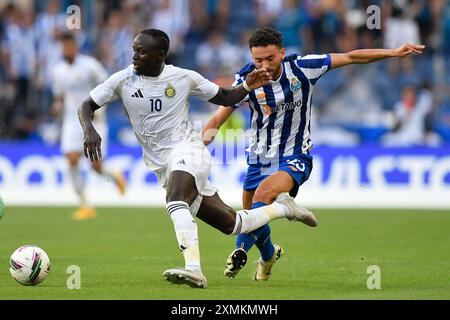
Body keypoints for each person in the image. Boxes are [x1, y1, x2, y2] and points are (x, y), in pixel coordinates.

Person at [78, 28, 315, 289]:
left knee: (176, 200)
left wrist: (247, 85)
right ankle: (285, 209)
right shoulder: (122, 80)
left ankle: (194, 270)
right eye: (134, 50)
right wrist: (89, 129)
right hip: (162, 164)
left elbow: (224, 97)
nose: (135, 56)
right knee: (232, 224)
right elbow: (86, 106)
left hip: (188, 150)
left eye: (141, 51)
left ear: (160, 54)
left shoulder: (183, 77)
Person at [202, 27, 425, 281]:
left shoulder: (303, 67)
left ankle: (240, 251)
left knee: (263, 197)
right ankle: (268, 256)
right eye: (258, 60)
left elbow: (351, 57)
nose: (264, 65)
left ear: (282, 53)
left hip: (295, 155)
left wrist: (393, 53)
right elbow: (218, 120)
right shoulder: (246, 81)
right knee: (254, 217)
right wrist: (197, 151)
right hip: (258, 159)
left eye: (270, 59)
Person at [52, 32, 126, 220]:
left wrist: (100, 108)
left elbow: (108, 85)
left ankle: (114, 175)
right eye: (64, 46)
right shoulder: (58, 71)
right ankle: (85, 205)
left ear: (75, 46)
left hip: (93, 120)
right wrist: (57, 106)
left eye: (69, 45)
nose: (67, 49)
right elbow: (59, 95)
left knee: (95, 166)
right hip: (71, 121)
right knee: (71, 159)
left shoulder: (89, 65)